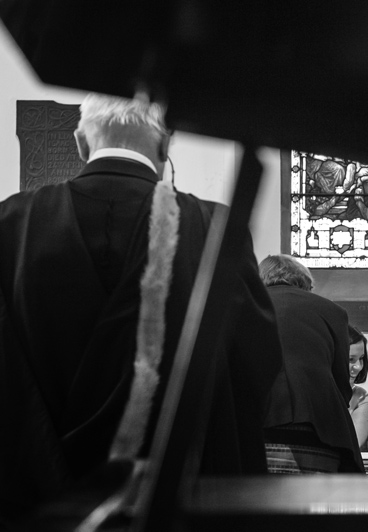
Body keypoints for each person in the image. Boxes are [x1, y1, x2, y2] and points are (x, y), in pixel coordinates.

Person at [0, 93, 282, 524]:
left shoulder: (10, 224)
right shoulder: (214, 228)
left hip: (34, 493)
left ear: (80, 142)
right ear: (165, 146)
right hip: (170, 494)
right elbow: (255, 361)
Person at [259, 255, 364, 473]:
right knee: (315, 503)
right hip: (319, 432)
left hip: (259, 427)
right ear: (306, 284)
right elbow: (340, 382)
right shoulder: (333, 311)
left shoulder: (248, 304)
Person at [347, 325, 368, 449]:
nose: (358, 366)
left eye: (361, 358)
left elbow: (352, 447)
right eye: (350, 359)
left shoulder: (360, 397)